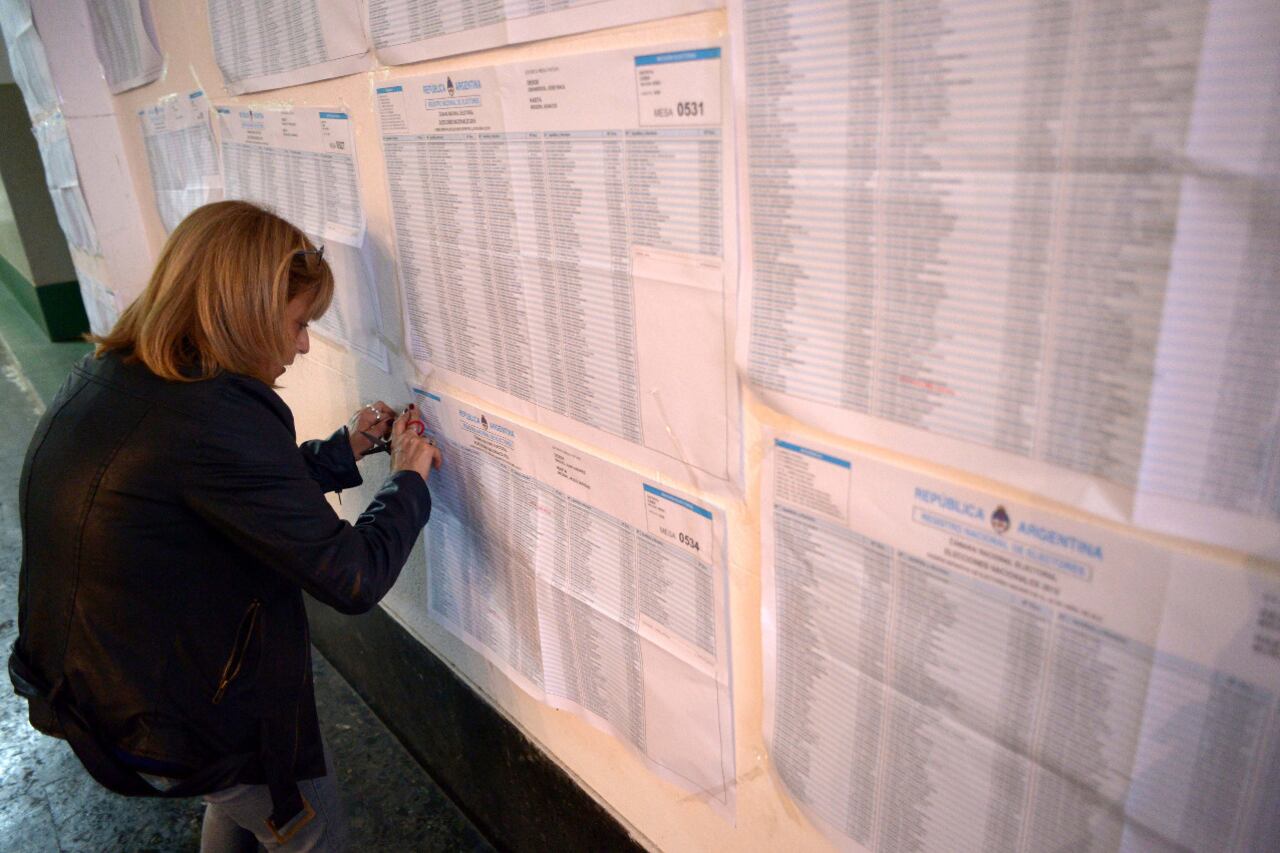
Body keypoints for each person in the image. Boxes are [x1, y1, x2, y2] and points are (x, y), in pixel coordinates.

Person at [7, 200, 442, 851]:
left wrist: (342, 450)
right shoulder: (215, 417)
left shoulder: (125, 374)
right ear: (243, 311)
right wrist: (409, 479)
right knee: (308, 828)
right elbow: (353, 577)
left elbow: (225, 491)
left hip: (103, 681)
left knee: (241, 804)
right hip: (173, 711)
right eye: (296, 323)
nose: (301, 345)